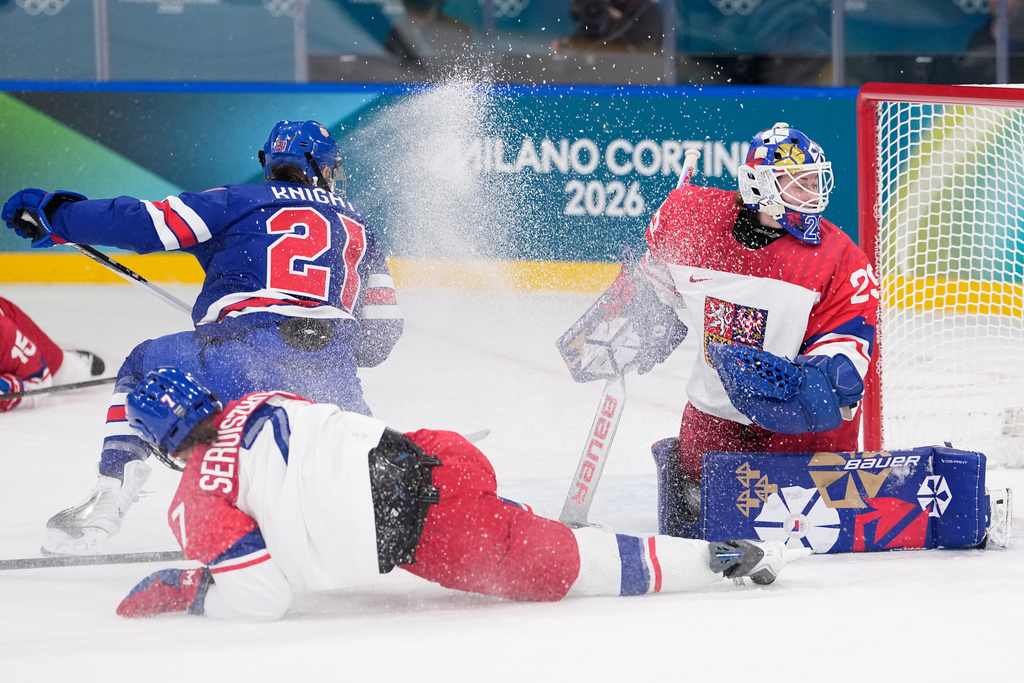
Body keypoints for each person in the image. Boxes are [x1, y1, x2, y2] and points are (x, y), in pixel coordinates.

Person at [112, 367, 809, 621]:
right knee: (524, 532)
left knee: (573, 570)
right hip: (439, 451)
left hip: (438, 527)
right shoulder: (260, 395)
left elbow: (262, 599)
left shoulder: (193, 503)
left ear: (160, 445)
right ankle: (532, 527)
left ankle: (721, 560)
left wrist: (194, 587)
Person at [1, 120, 403, 555]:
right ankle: (360, 493)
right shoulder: (361, 227)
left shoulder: (239, 200)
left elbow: (142, 224)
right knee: (357, 460)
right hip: (335, 387)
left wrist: (57, 214)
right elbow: (380, 337)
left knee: (141, 364)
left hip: (239, 365)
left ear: (271, 164)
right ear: (319, 168)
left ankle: (110, 496)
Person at [635, 122, 878, 535]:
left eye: (814, 181)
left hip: (803, 425)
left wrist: (812, 386)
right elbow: (656, 280)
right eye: (797, 184)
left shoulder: (839, 259)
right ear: (759, 186)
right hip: (717, 409)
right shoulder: (690, 222)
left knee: (815, 519)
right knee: (701, 512)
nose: (812, 195)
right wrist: (635, 319)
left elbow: (848, 344)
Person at [0, 295, 105, 412]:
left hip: (36, 364)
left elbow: (40, 380)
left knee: (63, 370)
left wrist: (8, 388)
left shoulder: (4, 334)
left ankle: (76, 364)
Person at [554, 0, 664, 52]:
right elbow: (599, 38)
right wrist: (570, 43)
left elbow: (647, 42)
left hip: (642, 73)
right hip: (609, 69)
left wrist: (619, 19)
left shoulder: (646, 9)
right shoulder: (605, 7)